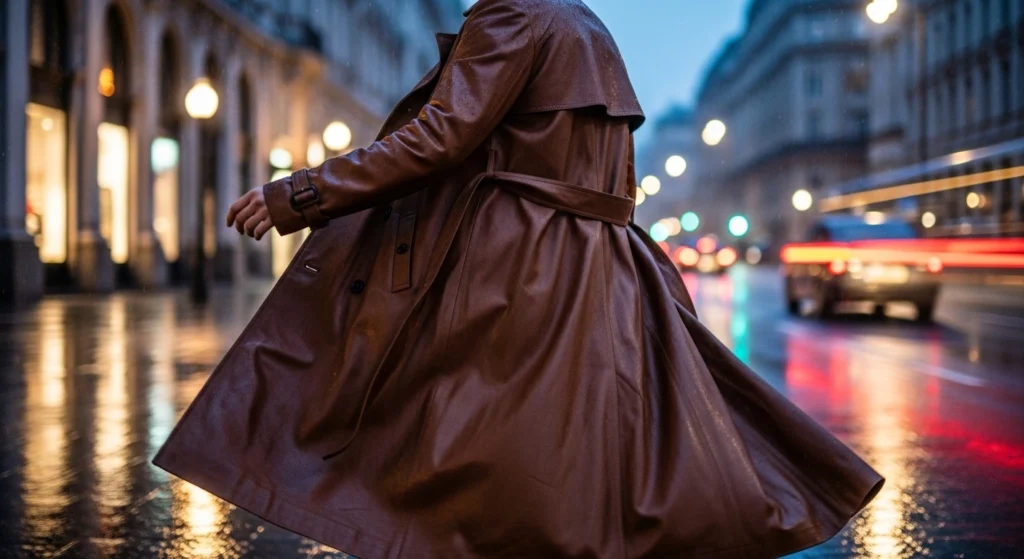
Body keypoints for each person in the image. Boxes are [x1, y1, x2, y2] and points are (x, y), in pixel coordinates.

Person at [155, 0, 883, 557]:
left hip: (512, 270)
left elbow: (440, 135)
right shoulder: (585, 27)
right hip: (595, 264)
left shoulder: (510, 16)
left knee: (450, 446)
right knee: (587, 454)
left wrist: (299, 193)